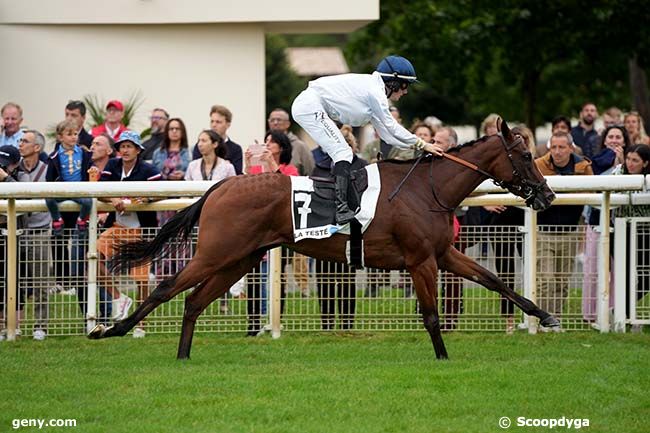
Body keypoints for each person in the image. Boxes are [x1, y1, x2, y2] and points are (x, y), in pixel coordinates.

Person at [291, 55, 444, 225]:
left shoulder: (374, 94)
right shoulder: (375, 93)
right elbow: (392, 127)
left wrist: (421, 147)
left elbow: (388, 136)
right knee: (342, 152)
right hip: (310, 106)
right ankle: (341, 208)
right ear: (393, 82)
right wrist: (423, 143)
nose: (405, 91)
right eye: (404, 85)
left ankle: (345, 204)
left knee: (343, 153)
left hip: (310, 106)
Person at [98, 130, 161, 337]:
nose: (124, 150)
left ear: (137, 150)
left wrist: (147, 199)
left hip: (140, 231)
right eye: (122, 146)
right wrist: (112, 199)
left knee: (141, 280)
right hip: (116, 228)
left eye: (128, 146)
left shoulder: (148, 169)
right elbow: (100, 190)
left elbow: (166, 190)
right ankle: (119, 298)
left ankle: (142, 323)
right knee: (92, 258)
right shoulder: (112, 166)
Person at [535, 132, 593, 330]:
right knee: (546, 279)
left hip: (569, 230)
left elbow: (591, 193)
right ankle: (545, 319)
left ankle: (556, 319)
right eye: (554, 148)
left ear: (571, 148)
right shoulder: (539, 165)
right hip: (543, 230)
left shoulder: (583, 167)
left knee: (561, 280)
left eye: (562, 147)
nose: (557, 152)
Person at [243, 131, 298, 336]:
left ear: (281, 147)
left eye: (271, 141)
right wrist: (248, 166)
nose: (267, 144)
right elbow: (247, 191)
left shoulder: (290, 169)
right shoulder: (257, 169)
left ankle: (276, 319)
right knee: (254, 277)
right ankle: (253, 323)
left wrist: (271, 165)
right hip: (257, 230)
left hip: (281, 231)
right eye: (265, 141)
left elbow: (289, 189)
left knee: (277, 276)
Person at [313, 125, 367, 330]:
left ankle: (346, 324)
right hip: (324, 230)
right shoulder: (321, 166)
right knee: (325, 280)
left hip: (350, 230)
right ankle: (327, 324)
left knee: (346, 280)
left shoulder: (361, 166)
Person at [582, 126, 631, 324]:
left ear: (625, 141)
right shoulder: (596, 162)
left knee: (618, 270)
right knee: (592, 269)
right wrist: (614, 161)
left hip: (620, 223)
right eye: (611, 136)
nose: (614, 140)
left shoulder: (633, 160)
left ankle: (615, 311)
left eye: (618, 137)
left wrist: (621, 162)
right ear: (604, 140)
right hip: (596, 221)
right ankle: (590, 314)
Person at [15, 131, 52, 340]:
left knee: (40, 280)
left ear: (37, 147)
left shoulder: (48, 169)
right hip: (17, 230)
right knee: (13, 279)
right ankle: (11, 324)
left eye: (25, 141)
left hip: (39, 230)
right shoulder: (14, 169)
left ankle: (40, 325)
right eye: (20, 141)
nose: (21, 144)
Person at [616, 144, 650, 331]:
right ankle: (626, 316)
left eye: (635, 160)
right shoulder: (617, 172)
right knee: (625, 275)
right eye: (628, 158)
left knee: (646, 277)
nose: (629, 163)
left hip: (645, 233)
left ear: (645, 163)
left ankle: (624, 308)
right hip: (623, 233)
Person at [45, 119, 93, 237]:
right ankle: (57, 219)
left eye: (75, 134)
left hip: (79, 190)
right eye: (69, 134)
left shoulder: (83, 153)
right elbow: (49, 177)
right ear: (60, 137)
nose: (73, 137)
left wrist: (93, 169)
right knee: (49, 199)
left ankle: (81, 221)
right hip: (62, 191)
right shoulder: (54, 156)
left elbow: (90, 166)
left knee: (88, 201)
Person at [0, 145, 23, 340]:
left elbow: (23, 197)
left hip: (17, 234)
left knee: (16, 281)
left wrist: (5, 179)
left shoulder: (22, 177)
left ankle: (14, 326)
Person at [152, 118, 191, 227]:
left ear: (182, 132)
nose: (174, 131)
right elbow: (153, 173)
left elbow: (193, 172)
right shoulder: (157, 153)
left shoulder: (189, 152)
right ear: (167, 132)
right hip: (162, 195)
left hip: (182, 195)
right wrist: (166, 175)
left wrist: (183, 174)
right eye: (171, 129)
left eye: (177, 129)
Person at [192, 105, 243, 175]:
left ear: (228, 124)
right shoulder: (201, 145)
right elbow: (195, 170)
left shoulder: (235, 149)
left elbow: (237, 173)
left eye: (218, 122)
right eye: (212, 121)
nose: (214, 125)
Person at [267, 108, 315, 176]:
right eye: (272, 120)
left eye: (279, 120)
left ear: (288, 124)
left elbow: (311, 172)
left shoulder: (300, 146)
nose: (275, 123)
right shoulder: (266, 147)